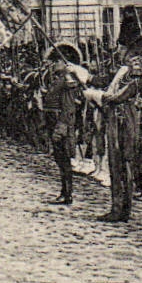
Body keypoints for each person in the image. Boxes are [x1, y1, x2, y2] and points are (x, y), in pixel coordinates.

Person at [84, 30, 142, 222]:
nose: (118, 51)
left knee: (124, 165)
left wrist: (97, 96)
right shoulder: (122, 70)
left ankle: (123, 208)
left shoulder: (134, 71)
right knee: (115, 164)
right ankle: (117, 207)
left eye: (121, 48)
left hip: (125, 124)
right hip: (115, 122)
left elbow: (121, 96)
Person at [43, 43, 86, 205]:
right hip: (52, 121)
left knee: (64, 159)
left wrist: (61, 127)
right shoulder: (58, 80)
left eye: (57, 62)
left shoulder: (67, 81)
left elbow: (68, 107)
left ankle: (67, 193)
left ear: (65, 63)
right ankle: (64, 191)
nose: (54, 64)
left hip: (60, 123)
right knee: (59, 158)